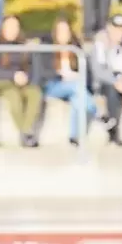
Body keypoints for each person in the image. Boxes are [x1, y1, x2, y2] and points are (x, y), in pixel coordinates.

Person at [0, 15, 43, 148]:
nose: (12, 30)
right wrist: (13, 76)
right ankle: (26, 134)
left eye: (15, 27)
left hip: (21, 82)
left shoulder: (23, 46)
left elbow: (30, 67)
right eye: (9, 27)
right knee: (13, 96)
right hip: (1, 82)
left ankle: (26, 130)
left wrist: (25, 77)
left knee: (35, 93)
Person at [40, 16, 97, 147]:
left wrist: (75, 75)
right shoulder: (47, 48)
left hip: (74, 87)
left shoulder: (76, 49)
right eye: (60, 31)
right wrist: (60, 75)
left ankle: (73, 136)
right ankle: (99, 113)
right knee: (78, 89)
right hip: (53, 85)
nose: (63, 35)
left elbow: (86, 73)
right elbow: (43, 72)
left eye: (66, 31)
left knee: (78, 98)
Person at [91, 13, 122, 146]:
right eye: (115, 28)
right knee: (112, 92)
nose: (119, 32)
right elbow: (98, 71)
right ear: (108, 28)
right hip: (105, 82)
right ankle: (114, 132)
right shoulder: (100, 42)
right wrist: (117, 82)